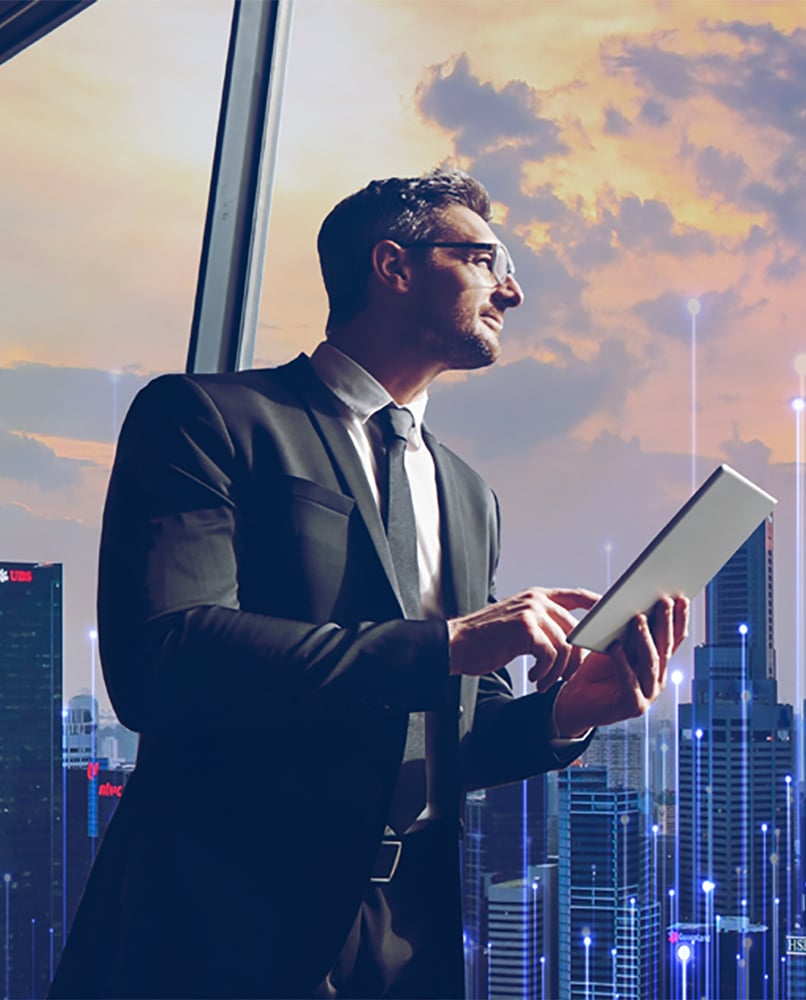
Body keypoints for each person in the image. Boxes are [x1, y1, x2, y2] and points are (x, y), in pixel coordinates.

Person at [50, 167, 689, 999]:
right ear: (394, 266)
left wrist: (571, 712)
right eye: (487, 259)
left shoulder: (467, 493)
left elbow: (452, 722)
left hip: (405, 935)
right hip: (218, 918)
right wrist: (449, 643)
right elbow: (164, 655)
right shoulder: (208, 420)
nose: (514, 290)